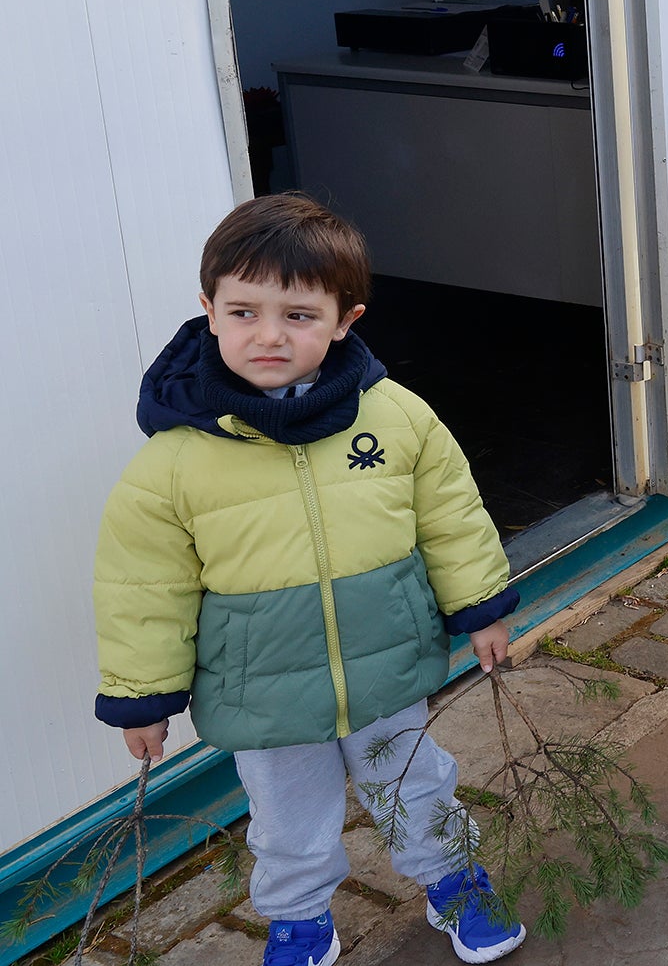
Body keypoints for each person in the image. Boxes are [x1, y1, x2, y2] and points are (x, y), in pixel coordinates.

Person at [92, 194, 527, 966]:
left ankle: (451, 878)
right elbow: (144, 584)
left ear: (345, 319)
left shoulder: (395, 416)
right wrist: (142, 692)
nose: (268, 334)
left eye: (298, 315)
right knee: (287, 818)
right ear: (209, 309)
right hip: (263, 688)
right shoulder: (173, 460)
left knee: (415, 783)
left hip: (384, 663)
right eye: (244, 310)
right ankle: (298, 918)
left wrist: (481, 605)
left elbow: (451, 514)